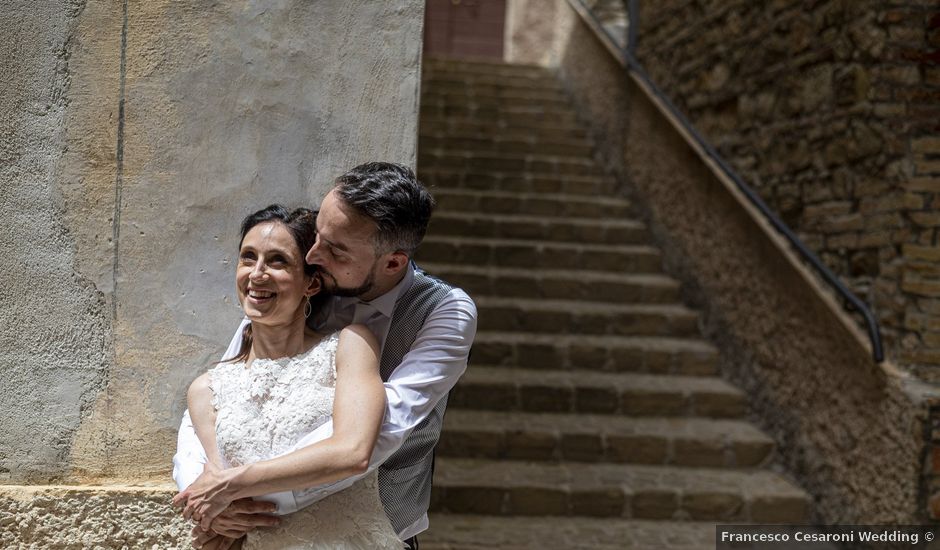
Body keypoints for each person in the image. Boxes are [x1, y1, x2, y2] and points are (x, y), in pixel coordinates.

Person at [173, 162, 477, 550]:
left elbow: (381, 431)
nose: (313, 254)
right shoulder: (307, 284)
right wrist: (204, 494)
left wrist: (246, 496)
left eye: (335, 249)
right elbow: (224, 392)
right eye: (317, 235)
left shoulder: (444, 311)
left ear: (393, 262)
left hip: (370, 524)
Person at [180, 203, 402, 549]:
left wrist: (233, 485)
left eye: (277, 261)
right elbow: (213, 486)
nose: (257, 274)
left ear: (312, 283)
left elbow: (353, 451)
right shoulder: (207, 389)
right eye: (248, 257)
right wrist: (216, 513)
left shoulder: (350, 346)